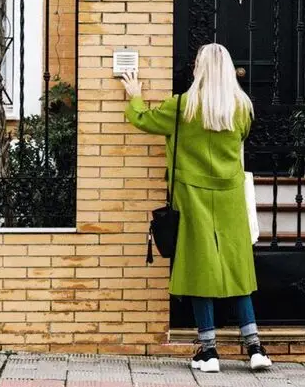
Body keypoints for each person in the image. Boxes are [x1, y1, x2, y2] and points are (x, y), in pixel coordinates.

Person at [121, 43, 272, 373]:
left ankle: (209, 352)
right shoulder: (242, 107)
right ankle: (255, 347)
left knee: (199, 267)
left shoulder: (182, 107)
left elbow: (142, 120)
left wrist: (133, 95)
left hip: (192, 196)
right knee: (238, 269)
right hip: (230, 195)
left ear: (199, 70)